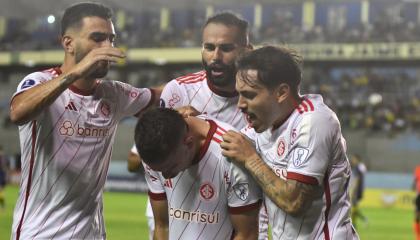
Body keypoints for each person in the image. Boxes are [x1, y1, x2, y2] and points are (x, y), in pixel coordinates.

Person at [9, 3, 160, 239]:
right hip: (42, 233)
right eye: (97, 38)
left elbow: (166, 94)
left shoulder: (114, 94)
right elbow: (18, 112)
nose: (107, 47)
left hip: (93, 234)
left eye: (111, 39)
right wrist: (76, 72)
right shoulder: (39, 80)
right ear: (68, 43)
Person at [129, 11, 269, 239]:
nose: (215, 56)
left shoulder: (263, 101)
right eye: (209, 47)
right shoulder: (178, 91)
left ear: (247, 51)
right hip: (185, 211)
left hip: (244, 209)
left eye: (226, 48)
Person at [220, 45, 359, 239]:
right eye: (239, 94)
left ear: (282, 92)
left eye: (250, 95)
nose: (240, 104)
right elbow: (219, 142)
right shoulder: (260, 127)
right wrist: (191, 122)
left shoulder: (314, 121)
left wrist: (251, 158)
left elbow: (294, 203)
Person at [135, 108, 262, 239]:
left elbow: (247, 234)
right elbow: (162, 225)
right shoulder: (153, 153)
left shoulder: (233, 154)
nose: (165, 176)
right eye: (159, 171)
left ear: (189, 143)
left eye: (171, 167)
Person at [349, 154, 368, 229]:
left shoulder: (357, 167)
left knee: (353, 208)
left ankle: (354, 224)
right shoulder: (362, 167)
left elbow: (357, 179)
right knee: (354, 208)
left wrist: (353, 190)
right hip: (360, 190)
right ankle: (361, 220)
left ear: (357, 159)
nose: (352, 160)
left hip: (357, 190)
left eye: (353, 159)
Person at [414, 165, 420, 240]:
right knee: (417, 216)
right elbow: (416, 180)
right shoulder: (418, 169)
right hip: (419, 196)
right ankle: (417, 236)